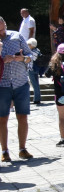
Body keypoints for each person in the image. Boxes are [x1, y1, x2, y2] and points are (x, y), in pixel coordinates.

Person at [0, 16, 34, 162]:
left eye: (2, 28)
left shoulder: (17, 36)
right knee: (2, 119)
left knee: (23, 117)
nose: (1, 32)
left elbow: (30, 55)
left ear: (5, 24)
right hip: (3, 84)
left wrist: (22, 59)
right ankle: (5, 151)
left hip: (21, 82)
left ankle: (22, 149)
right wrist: (3, 59)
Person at [26, 38, 42, 105]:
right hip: (37, 69)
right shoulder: (37, 50)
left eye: (28, 44)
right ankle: (37, 98)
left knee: (34, 84)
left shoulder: (31, 52)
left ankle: (37, 100)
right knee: (36, 84)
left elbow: (31, 59)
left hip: (31, 69)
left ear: (32, 45)